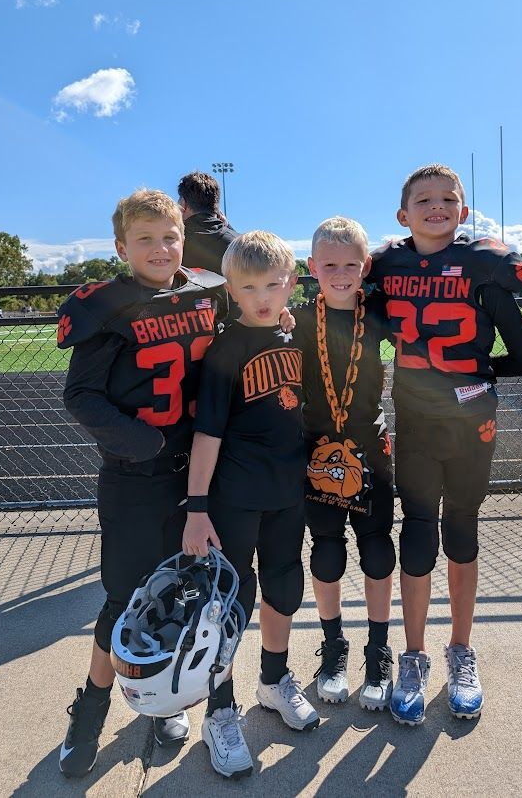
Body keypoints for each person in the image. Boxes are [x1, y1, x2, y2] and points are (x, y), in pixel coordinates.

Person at [55, 189, 229, 778]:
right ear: (121, 246)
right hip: (136, 475)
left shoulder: (208, 290)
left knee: (191, 595)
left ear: (184, 236)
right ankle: (90, 711)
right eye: (146, 238)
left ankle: (167, 699)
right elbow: (80, 395)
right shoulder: (108, 305)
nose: (161, 248)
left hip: (201, 472)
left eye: (170, 236)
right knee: (123, 599)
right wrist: (143, 443)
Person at [369, 163, 522, 726]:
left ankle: (460, 650)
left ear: (463, 211)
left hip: (468, 425)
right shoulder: (388, 266)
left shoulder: (478, 267)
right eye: (424, 199)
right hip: (419, 422)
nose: (436, 206)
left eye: (448, 198)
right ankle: (413, 655)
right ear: (403, 214)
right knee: (418, 534)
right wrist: (473, 371)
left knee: (460, 530)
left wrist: (469, 372)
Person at [182, 231, 319, 780]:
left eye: (273, 284)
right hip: (235, 497)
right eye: (249, 286)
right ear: (231, 290)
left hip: (289, 492)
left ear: (290, 282)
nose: (263, 296)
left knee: (286, 586)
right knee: (227, 603)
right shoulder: (226, 348)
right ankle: (219, 709)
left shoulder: (295, 337)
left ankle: (273, 680)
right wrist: (196, 507)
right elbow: (207, 434)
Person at [292, 217, 395, 711]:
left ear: (365, 266)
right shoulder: (295, 318)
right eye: (328, 264)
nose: (339, 272)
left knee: (376, 549)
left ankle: (379, 649)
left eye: (350, 264)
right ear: (311, 267)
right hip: (317, 452)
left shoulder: (378, 312)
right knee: (327, 551)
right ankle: (333, 645)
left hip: (370, 450)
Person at [177, 171, 238, 273]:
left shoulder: (173, 243)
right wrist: (228, 228)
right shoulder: (240, 244)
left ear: (183, 204)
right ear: (216, 207)